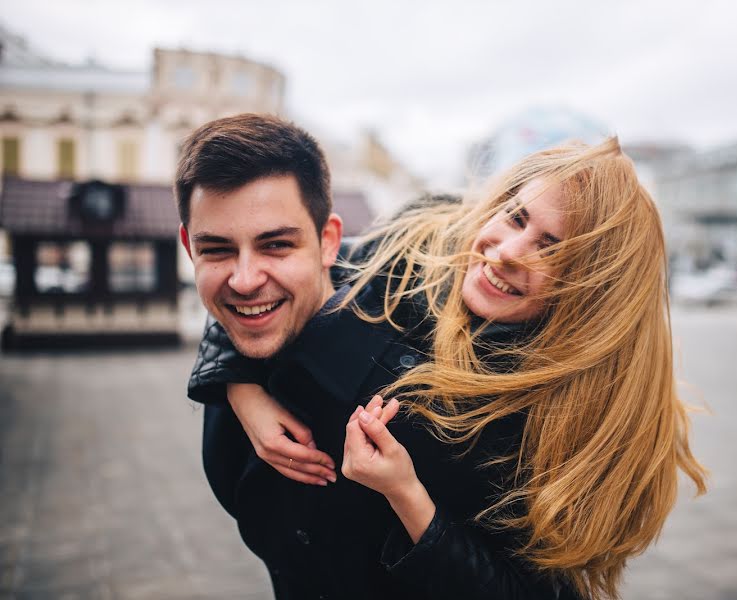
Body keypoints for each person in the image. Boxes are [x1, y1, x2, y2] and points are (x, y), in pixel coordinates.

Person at [191, 135, 709, 600]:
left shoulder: (579, 418)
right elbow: (268, 284)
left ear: (594, 290)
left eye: (549, 249)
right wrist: (241, 386)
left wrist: (408, 495)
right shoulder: (408, 251)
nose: (505, 252)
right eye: (515, 218)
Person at [178, 113, 574, 599]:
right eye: (216, 250)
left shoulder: (484, 407)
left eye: (276, 245)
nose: (244, 279)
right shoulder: (237, 385)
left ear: (326, 242)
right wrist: (238, 385)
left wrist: (407, 497)